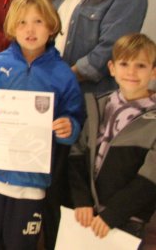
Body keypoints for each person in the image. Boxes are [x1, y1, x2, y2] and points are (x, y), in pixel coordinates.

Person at [45, 0, 148, 248]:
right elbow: (37, 31)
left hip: (86, 105)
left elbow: (107, 52)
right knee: (47, 193)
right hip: (48, 102)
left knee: (72, 193)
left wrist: (60, 79)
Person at [0, 0, 83, 250]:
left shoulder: (63, 74)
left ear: (51, 25)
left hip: (31, 183)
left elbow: (74, 119)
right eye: (22, 22)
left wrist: (68, 127)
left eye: (38, 21)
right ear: (11, 27)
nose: (30, 30)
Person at [69, 33, 156, 244]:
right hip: (85, 215)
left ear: (153, 71)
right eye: (124, 64)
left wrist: (113, 215)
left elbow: (150, 179)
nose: (131, 72)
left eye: (141, 65)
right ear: (112, 68)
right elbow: (76, 154)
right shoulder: (98, 106)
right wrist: (82, 200)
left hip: (126, 220)